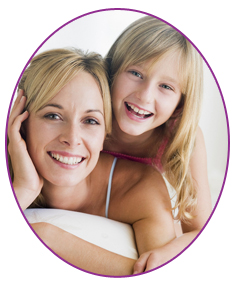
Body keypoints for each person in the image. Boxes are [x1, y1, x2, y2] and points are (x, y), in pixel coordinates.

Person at [7, 48, 176, 276]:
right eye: (53, 116)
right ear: (21, 123)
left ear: (106, 134)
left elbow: (165, 278)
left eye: (90, 120)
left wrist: (50, 238)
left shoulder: (140, 189)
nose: (72, 138)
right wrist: (23, 190)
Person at [103, 15, 212, 273]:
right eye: (136, 73)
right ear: (112, 71)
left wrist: (167, 252)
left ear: (180, 104)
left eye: (165, 86)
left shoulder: (183, 139)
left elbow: (200, 229)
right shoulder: (87, 115)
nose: (145, 95)